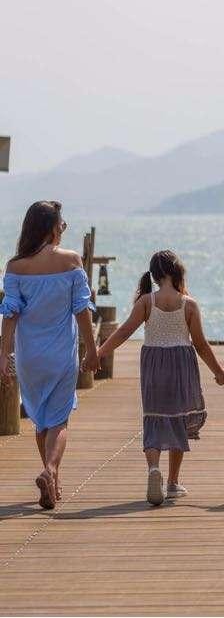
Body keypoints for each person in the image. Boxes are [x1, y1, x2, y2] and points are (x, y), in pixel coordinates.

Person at [95, 250, 224, 506]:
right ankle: (172, 482)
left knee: (154, 417)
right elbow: (200, 345)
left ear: (154, 276)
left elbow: (124, 332)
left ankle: (153, 468)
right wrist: (220, 372)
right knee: (178, 418)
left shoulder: (147, 301)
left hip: (154, 363)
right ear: (177, 271)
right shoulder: (188, 303)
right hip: (181, 364)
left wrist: (99, 353)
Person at [0, 201, 98, 509]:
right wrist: (92, 350)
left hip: (29, 357)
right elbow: (82, 310)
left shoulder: (16, 266)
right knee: (60, 420)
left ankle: (52, 485)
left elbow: (10, 314)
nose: (63, 229)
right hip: (60, 356)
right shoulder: (71, 262)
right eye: (62, 224)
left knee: (40, 421)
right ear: (52, 227)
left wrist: (4, 354)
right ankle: (51, 470)